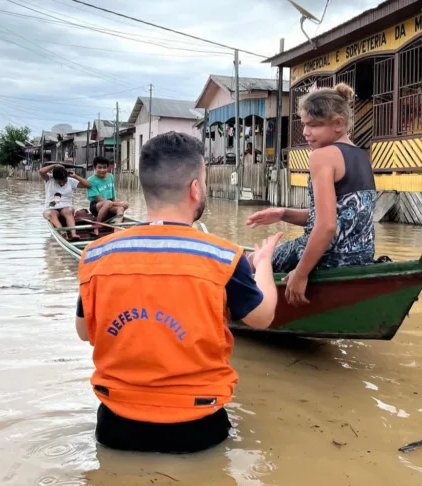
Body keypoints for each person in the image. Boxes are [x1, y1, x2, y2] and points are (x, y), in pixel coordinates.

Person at [75, 132, 281, 454]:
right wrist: (264, 264)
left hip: (116, 426)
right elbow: (263, 317)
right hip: (197, 427)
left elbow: (84, 332)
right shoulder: (224, 257)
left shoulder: (97, 255)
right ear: (195, 189)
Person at [246, 83, 376, 307]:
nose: (306, 132)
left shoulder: (322, 156)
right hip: (360, 256)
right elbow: (342, 216)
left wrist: (301, 274)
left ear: (338, 124)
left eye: (314, 125)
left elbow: (326, 226)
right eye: (304, 125)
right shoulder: (361, 156)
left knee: (248, 261)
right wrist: (283, 213)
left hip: (328, 256)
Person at [40, 163, 91, 241]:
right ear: (55, 178)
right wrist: (54, 165)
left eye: (64, 180)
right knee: (50, 213)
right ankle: (62, 232)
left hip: (66, 208)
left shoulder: (71, 181)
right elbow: (41, 171)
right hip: (51, 208)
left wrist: (76, 176)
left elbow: (88, 185)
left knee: (69, 211)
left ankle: (74, 234)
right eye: (59, 181)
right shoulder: (49, 179)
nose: (62, 183)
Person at [87, 157, 128, 235]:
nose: (102, 170)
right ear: (95, 168)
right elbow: (100, 200)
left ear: (108, 167)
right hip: (97, 206)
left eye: (104, 167)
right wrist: (118, 203)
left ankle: (117, 230)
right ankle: (97, 226)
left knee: (121, 207)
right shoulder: (90, 180)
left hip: (110, 203)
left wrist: (120, 204)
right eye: (99, 167)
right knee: (108, 203)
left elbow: (112, 196)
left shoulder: (110, 176)